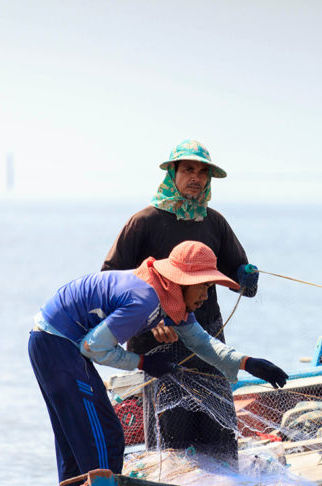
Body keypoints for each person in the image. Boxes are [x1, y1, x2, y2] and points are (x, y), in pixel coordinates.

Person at [29, 241, 288, 485]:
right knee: (102, 437)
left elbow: (201, 342)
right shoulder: (145, 299)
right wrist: (143, 362)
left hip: (54, 344)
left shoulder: (169, 298)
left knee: (77, 434)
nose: (207, 296)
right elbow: (93, 347)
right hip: (58, 343)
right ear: (184, 281)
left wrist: (248, 363)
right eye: (204, 286)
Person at [101, 139, 260, 456]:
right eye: (188, 169)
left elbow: (242, 282)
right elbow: (110, 282)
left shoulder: (214, 223)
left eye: (203, 172)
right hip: (158, 339)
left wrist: (246, 275)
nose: (196, 177)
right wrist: (145, 327)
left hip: (207, 337)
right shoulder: (143, 222)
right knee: (169, 439)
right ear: (171, 173)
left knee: (219, 437)